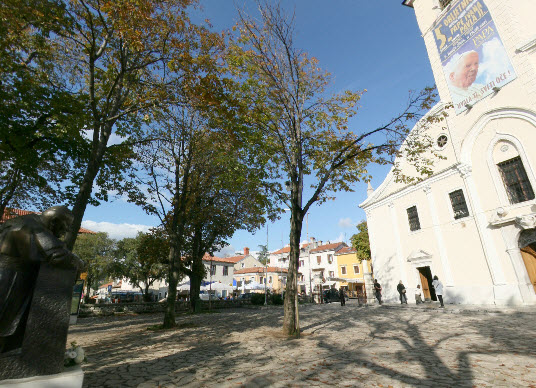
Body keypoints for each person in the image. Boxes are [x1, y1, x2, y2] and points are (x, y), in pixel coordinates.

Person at [0, 206, 85, 353]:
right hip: (11, 279)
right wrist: (80, 263)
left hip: (12, 274)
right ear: (55, 221)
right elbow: (57, 255)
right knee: (5, 321)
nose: (65, 232)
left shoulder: (19, 221)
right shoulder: (34, 226)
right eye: (65, 227)